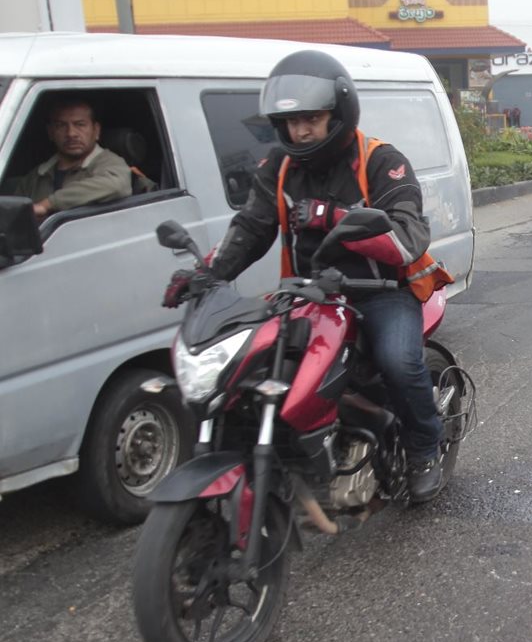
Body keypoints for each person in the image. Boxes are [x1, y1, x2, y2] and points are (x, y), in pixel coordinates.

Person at [161, 50, 453, 502]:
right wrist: (205, 274)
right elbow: (251, 228)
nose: (299, 131)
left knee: (399, 361)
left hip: (380, 291)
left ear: (338, 114)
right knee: (254, 365)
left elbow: (407, 239)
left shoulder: (380, 160)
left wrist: (333, 215)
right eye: (290, 122)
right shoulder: (279, 167)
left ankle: (423, 448)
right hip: (307, 293)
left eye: (311, 119)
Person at [9, 97, 132, 222]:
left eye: (80, 124)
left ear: (96, 130)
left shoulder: (109, 162)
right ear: (51, 132)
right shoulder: (35, 177)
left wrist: (48, 204)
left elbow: (116, 185)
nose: (71, 133)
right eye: (61, 125)